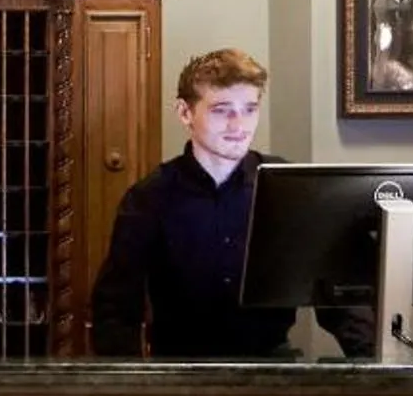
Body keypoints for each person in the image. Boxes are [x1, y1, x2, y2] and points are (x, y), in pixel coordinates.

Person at [89, 48, 375, 360]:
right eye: (222, 110)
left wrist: (381, 377)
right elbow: (115, 311)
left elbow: (339, 296)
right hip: (177, 375)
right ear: (185, 113)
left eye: (250, 109)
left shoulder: (292, 188)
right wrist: (132, 395)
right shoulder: (148, 198)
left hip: (272, 370)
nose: (239, 124)